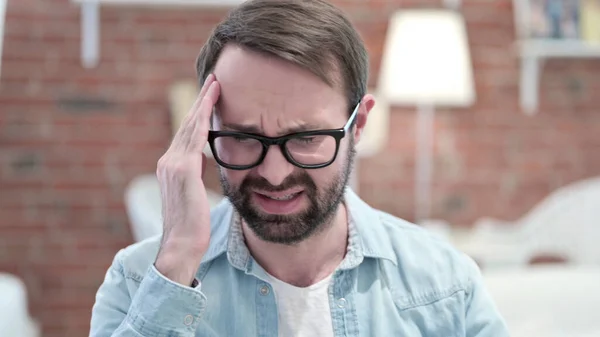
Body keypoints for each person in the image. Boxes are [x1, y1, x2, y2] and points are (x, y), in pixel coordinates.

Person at [90, 0, 510, 336]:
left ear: (358, 125)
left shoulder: (445, 285)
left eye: (306, 138)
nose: (273, 174)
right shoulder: (138, 280)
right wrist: (178, 261)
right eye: (243, 137)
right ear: (205, 129)